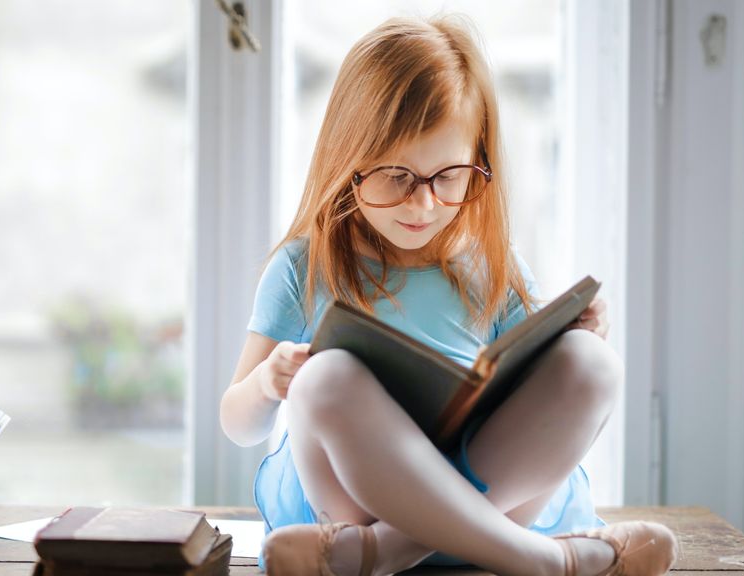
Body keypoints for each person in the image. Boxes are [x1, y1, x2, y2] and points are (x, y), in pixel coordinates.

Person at [219, 14, 678, 576]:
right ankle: (549, 562)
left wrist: (578, 336)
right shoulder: (304, 266)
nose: (423, 205)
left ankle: (387, 552)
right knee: (323, 379)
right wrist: (268, 383)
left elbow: (543, 393)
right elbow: (238, 425)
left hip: (482, 500)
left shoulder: (494, 268)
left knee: (594, 364)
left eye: (448, 176)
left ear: (478, 163)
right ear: (349, 162)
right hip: (357, 504)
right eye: (395, 176)